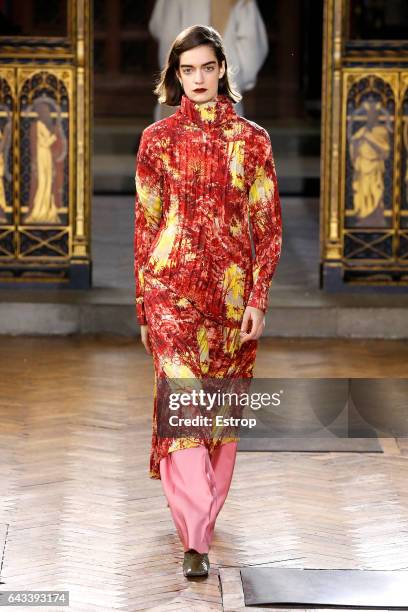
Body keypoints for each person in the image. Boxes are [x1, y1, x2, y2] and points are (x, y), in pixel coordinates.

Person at [134, 24, 282, 578]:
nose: (197, 79)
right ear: (175, 76)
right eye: (186, 69)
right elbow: (146, 223)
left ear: (222, 70)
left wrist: (258, 298)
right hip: (169, 289)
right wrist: (142, 301)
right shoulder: (157, 141)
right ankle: (195, 538)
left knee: (218, 414)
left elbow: (268, 227)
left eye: (206, 67)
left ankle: (202, 521)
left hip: (230, 295)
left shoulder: (252, 140)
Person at [148, 0, 268, 119]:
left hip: (192, 84)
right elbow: (252, 46)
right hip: (203, 85)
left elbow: (160, 28)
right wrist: (233, 78)